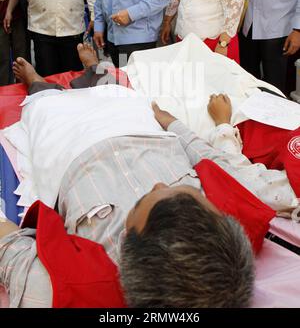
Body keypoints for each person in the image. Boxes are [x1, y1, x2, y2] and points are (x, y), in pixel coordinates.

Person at [0, 46, 260, 307]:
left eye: (149, 197)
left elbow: (8, 246)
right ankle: (95, 70)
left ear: (128, 242)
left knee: (46, 106)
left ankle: (36, 83)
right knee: (118, 95)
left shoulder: (55, 290)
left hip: (71, 146)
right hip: (144, 131)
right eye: (186, 188)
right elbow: (221, 164)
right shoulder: (230, 235)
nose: (158, 184)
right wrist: (174, 123)